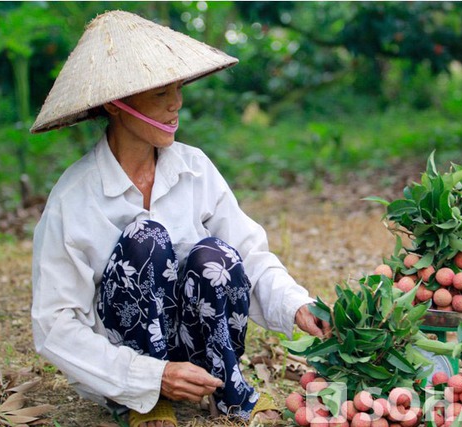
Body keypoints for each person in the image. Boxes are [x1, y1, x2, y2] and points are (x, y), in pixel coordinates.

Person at [30, 10, 330, 427]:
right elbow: (54, 325)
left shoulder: (194, 168)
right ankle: (148, 403)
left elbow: (249, 252)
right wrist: (150, 377)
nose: (176, 104)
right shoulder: (75, 197)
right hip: (127, 365)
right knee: (146, 237)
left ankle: (226, 383)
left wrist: (296, 304)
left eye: (177, 89)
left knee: (216, 255)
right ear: (116, 105)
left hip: (192, 349)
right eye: (159, 94)